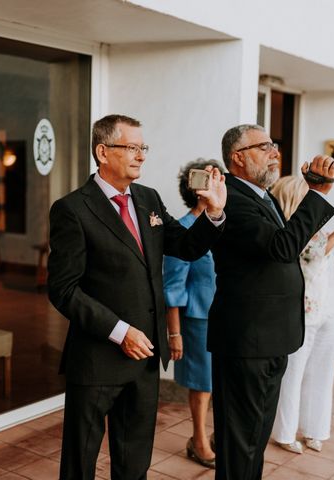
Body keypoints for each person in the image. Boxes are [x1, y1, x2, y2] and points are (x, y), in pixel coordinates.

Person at [48, 114, 227, 479]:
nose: (141, 155)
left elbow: (185, 247)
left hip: (145, 359)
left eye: (142, 147)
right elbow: (64, 290)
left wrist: (214, 212)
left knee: (134, 464)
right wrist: (119, 331)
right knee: (79, 465)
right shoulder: (72, 209)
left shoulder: (148, 199)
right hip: (98, 357)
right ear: (102, 151)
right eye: (131, 147)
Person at [208, 124, 334, 480]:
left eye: (274, 145)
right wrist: (318, 193)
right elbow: (282, 248)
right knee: (240, 442)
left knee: (255, 436)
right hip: (246, 342)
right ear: (237, 157)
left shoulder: (261, 196)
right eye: (264, 146)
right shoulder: (231, 198)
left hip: (269, 338)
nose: (274, 152)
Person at [270, 176, 334, 453]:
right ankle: (285, 433)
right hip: (303, 313)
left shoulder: (319, 229)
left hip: (331, 310)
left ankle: (315, 429)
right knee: (294, 373)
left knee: (323, 373)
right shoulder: (289, 231)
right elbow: (312, 256)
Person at [163, 158, 223, 469]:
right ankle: (198, 440)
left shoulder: (224, 222)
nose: (218, 182)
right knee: (202, 385)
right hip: (197, 320)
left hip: (226, 317)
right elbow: (172, 287)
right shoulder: (183, 228)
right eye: (211, 177)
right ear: (196, 188)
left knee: (220, 383)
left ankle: (214, 435)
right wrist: (174, 334)